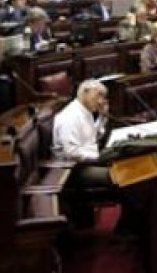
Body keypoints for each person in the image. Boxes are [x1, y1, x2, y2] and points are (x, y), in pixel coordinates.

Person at [52, 79, 139, 237]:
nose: (101, 101)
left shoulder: (84, 112)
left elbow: (91, 138)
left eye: (103, 97)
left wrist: (102, 118)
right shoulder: (70, 117)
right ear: (84, 93)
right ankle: (128, 227)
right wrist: (102, 158)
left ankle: (130, 224)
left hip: (87, 163)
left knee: (131, 168)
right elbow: (72, 152)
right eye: (98, 96)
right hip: (74, 171)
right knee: (126, 175)